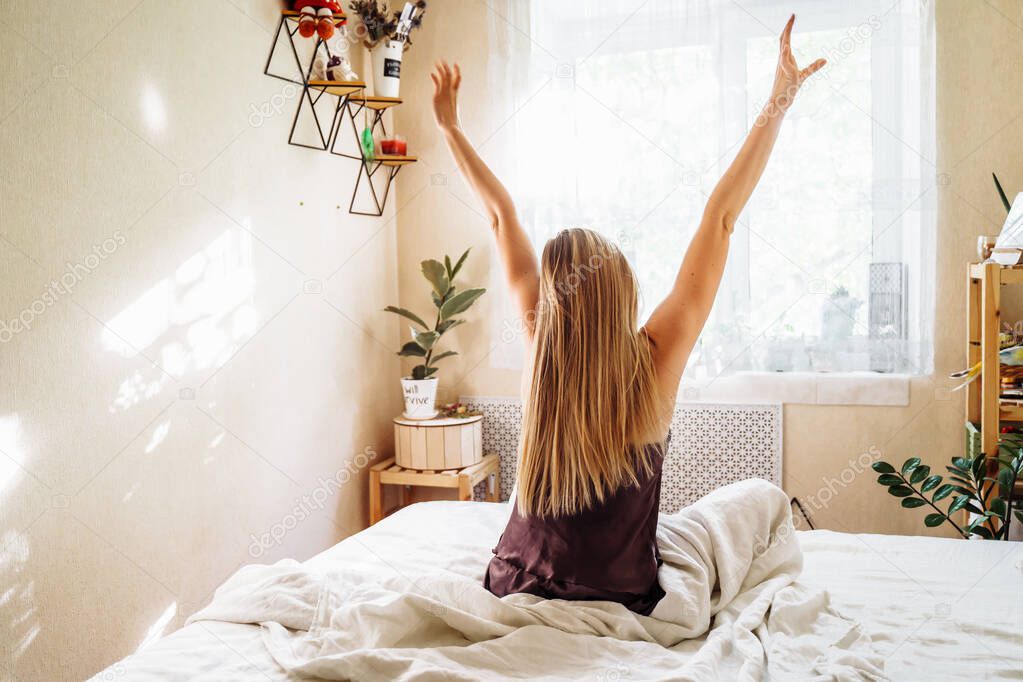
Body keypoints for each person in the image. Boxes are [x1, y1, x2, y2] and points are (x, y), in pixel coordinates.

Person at [430, 15, 825, 615]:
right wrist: (778, 102)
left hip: (514, 581)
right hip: (619, 593)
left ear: (556, 304)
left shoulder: (542, 347)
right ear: (622, 295)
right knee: (762, 499)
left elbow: (499, 215)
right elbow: (721, 217)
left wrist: (451, 128)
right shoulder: (657, 358)